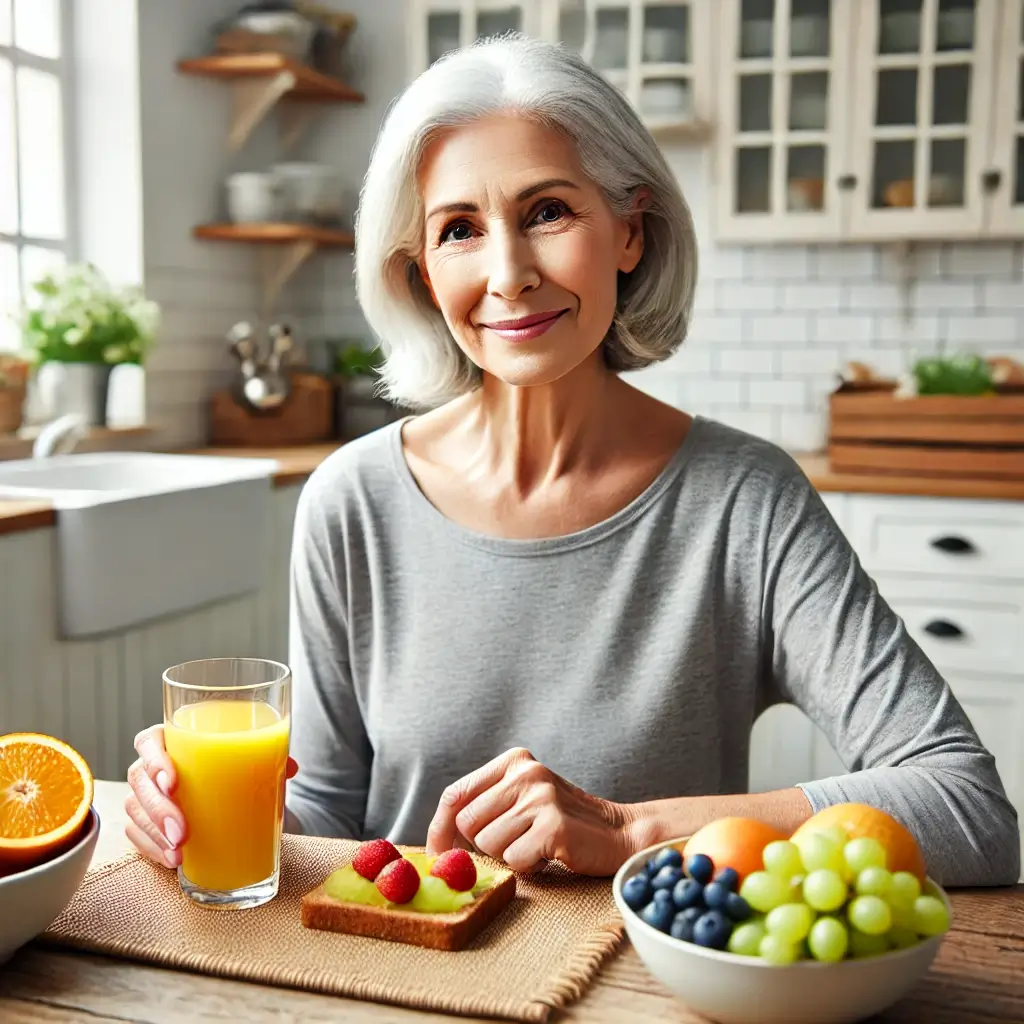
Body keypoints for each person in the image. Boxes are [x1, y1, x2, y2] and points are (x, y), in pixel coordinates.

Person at [126, 36, 1020, 887]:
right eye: (459, 229)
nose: (509, 271)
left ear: (630, 232)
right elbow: (326, 820)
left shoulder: (747, 502)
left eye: (548, 212)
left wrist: (636, 830)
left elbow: (970, 807)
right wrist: (204, 819)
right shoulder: (348, 502)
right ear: (420, 274)